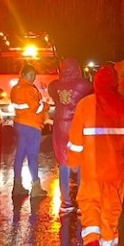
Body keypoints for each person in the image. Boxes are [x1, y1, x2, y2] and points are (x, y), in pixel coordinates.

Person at [67, 63, 124, 246]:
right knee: (112, 208)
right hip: (116, 169)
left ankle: (92, 239)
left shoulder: (85, 105)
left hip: (92, 168)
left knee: (89, 202)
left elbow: (76, 139)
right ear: (114, 83)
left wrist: (73, 161)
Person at [48, 58, 92, 216]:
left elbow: (55, 96)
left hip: (60, 126)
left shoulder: (53, 86)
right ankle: (82, 203)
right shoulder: (83, 86)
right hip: (76, 126)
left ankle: (66, 203)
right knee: (80, 163)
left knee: (63, 163)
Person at [10, 63, 48, 199]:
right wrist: (45, 106)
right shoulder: (29, 89)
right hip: (32, 126)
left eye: (34, 75)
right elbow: (36, 107)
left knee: (19, 155)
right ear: (24, 75)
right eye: (31, 75)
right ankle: (36, 187)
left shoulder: (15, 89)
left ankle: (17, 185)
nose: (33, 78)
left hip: (19, 124)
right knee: (32, 156)